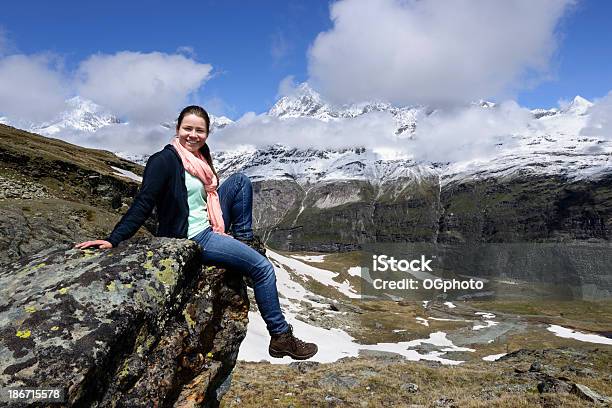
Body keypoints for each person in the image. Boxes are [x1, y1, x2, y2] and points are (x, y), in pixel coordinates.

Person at [76, 105, 318, 360]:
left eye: (199, 130)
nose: (193, 135)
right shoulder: (164, 161)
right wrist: (114, 239)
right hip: (192, 234)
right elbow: (143, 203)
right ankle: (281, 337)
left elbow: (208, 194)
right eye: (187, 129)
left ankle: (245, 240)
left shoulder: (200, 157)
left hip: (205, 218)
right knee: (263, 269)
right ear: (177, 129)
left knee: (239, 181)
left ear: (207, 133)